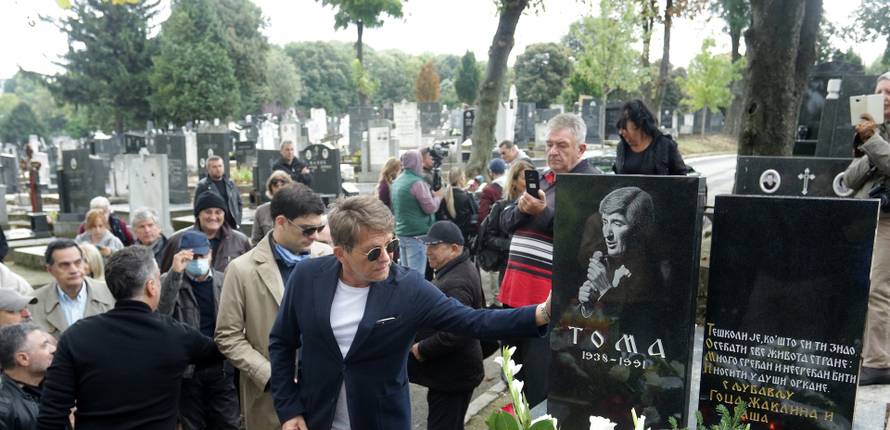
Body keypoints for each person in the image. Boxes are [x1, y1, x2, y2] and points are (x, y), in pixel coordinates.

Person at [267, 195, 551, 430]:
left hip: (382, 420)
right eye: (373, 252)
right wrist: (289, 408)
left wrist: (541, 313)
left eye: (391, 245)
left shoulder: (408, 287)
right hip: (317, 418)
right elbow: (281, 343)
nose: (387, 258)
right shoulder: (307, 277)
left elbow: (473, 320)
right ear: (340, 253)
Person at [37, 246, 225, 429]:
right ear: (151, 287)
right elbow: (221, 350)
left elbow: (52, 413)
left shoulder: (76, 336)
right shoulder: (176, 335)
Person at [498, 113, 600, 407]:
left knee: (540, 384)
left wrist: (542, 212)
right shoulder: (540, 178)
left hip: (550, 303)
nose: (553, 151)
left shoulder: (592, 183)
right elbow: (504, 222)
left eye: (562, 145)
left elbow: (582, 240)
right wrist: (522, 210)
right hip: (515, 293)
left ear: (581, 149)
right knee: (513, 376)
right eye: (549, 144)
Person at [215, 184, 333, 430]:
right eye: (308, 229)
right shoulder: (241, 269)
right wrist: (269, 374)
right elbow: (227, 335)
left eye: (319, 228)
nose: (315, 236)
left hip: (325, 391)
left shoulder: (327, 256)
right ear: (280, 222)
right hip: (270, 396)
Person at [408, 221, 485, 430]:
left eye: (434, 246)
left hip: (454, 376)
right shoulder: (456, 269)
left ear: (454, 248)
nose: (428, 251)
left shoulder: (457, 282)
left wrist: (422, 349)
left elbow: (459, 331)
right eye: (427, 245)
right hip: (452, 373)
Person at [159, 231, 239, 430]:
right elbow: (162, 313)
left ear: (210, 254)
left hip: (221, 365)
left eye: (201, 256)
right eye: (191, 257)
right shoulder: (170, 281)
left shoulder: (223, 280)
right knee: (192, 424)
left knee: (228, 423)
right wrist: (175, 274)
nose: (197, 261)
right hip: (188, 369)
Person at [842, 71, 890, 386]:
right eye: (879, 91)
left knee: (879, 289)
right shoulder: (872, 131)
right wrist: (871, 147)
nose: (884, 97)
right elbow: (849, 179)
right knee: (859, 285)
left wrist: (873, 143)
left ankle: (879, 363)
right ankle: (862, 351)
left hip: (888, 220)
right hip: (864, 215)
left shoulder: (873, 135)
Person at [477, 159, 536, 305]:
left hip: (534, 269)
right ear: (514, 181)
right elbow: (488, 238)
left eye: (532, 177)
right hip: (510, 268)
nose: (529, 183)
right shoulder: (502, 206)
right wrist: (512, 244)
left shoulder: (541, 206)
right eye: (524, 178)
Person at [30, 240, 114, 338]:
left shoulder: (110, 293)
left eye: (78, 262)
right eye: (64, 265)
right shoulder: (34, 303)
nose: (74, 270)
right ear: (50, 270)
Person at [160, 192, 250, 274]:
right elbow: (165, 276)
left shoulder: (240, 241)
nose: (213, 217)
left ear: (224, 215)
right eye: (208, 212)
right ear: (198, 214)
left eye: (218, 212)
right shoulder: (177, 240)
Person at [391, 150, 443, 274]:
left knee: (405, 273)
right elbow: (430, 208)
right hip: (417, 234)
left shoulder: (398, 181)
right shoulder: (417, 183)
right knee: (416, 275)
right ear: (417, 162)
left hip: (401, 232)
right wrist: (438, 197)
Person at [0, 323, 57, 430]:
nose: (53, 349)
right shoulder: (4, 410)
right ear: (23, 359)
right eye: (44, 345)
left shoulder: (58, 384)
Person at [612, 99, 688, 175]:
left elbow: (681, 177)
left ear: (639, 124)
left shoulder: (665, 145)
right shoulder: (621, 147)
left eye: (625, 128)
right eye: (620, 128)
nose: (621, 133)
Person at [194, 155, 243, 230]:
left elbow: (239, 203)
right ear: (208, 169)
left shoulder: (230, 184)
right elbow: (197, 209)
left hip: (232, 226)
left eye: (220, 166)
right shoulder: (202, 186)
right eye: (214, 167)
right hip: (214, 226)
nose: (218, 169)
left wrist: (238, 220)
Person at [251, 171, 295, 246]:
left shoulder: (298, 208)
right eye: (275, 183)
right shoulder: (261, 211)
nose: (279, 186)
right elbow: (256, 241)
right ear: (270, 188)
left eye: (283, 182)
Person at [436, 168, 477, 245]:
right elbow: (475, 214)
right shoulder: (467, 197)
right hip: (463, 237)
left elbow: (439, 216)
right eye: (464, 177)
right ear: (460, 179)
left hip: (447, 237)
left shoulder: (443, 196)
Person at [477, 158, 507, 225]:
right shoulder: (513, 186)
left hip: (495, 227)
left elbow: (483, 215)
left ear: (491, 172)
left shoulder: (488, 191)